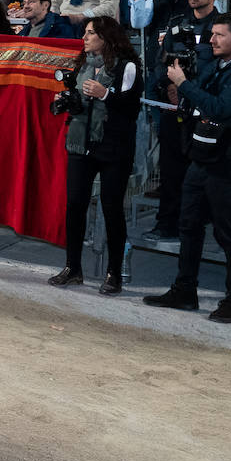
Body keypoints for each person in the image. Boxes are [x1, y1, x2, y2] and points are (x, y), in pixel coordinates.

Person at [144, 12, 231, 323]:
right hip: (203, 157)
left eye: (218, 35)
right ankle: (185, 290)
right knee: (189, 225)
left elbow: (220, 108)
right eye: (211, 34)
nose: (210, 40)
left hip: (229, 162)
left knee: (229, 233)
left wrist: (184, 84)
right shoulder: (218, 66)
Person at [49, 16, 143, 294]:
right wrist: (66, 101)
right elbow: (79, 101)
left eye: (91, 33)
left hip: (114, 147)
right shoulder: (82, 64)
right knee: (74, 205)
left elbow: (130, 107)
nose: (85, 38)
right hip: (80, 144)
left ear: (106, 36)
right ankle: (72, 267)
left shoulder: (127, 66)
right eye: (85, 33)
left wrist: (104, 94)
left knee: (112, 208)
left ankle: (114, 273)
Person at [137, 0, 219, 242]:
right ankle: (166, 224)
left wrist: (189, 89)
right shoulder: (176, 23)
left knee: (204, 173)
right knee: (171, 170)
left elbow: (223, 67)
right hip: (176, 109)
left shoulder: (225, 27)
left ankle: (200, 226)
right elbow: (163, 62)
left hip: (207, 111)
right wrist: (171, 86)